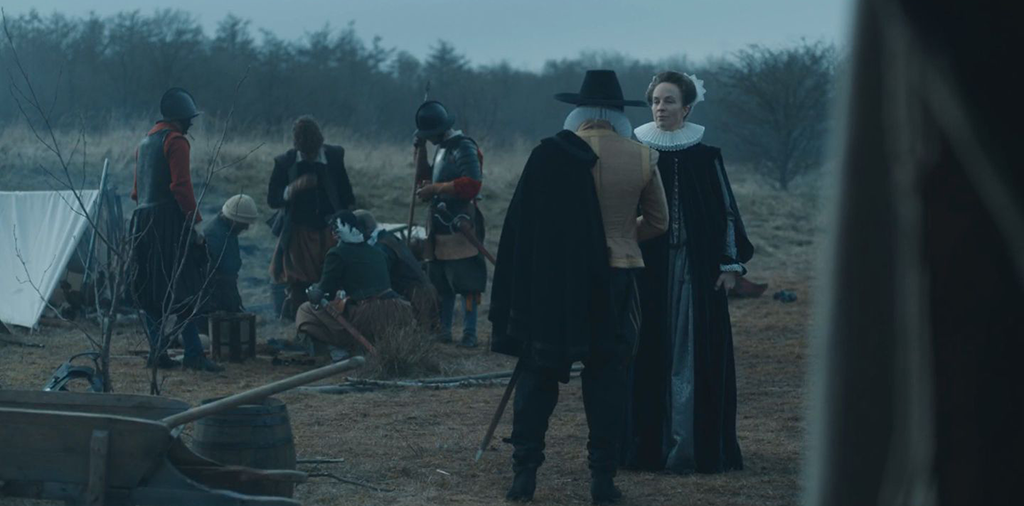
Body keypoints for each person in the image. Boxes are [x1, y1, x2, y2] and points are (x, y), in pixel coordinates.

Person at [490, 70, 668, 504]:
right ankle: (603, 481)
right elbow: (659, 222)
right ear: (619, 115)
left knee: (538, 375)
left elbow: (525, 224)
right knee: (607, 379)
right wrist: (622, 236)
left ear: (579, 111)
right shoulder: (642, 156)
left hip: (556, 283)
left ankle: (524, 475)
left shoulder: (550, 154)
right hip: (616, 278)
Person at [625, 71, 754, 474]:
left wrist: (729, 266)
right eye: (655, 101)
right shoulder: (638, 151)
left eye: (669, 101)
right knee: (647, 352)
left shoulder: (705, 156)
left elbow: (727, 213)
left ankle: (692, 446)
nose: (660, 108)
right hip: (648, 269)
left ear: (687, 108)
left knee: (693, 353)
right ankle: (648, 447)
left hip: (696, 270)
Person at [128, 87, 222, 372]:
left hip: (142, 222)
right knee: (183, 286)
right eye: (190, 119)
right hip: (168, 220)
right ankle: (193, 353)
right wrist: (195, 222)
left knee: (152, 288)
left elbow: (136, 193)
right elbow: (181, 187)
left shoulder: (145, 142)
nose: (191, 124)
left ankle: (158, 352)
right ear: (182, 119)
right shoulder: (176, 141)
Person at [412, 101, 487, 347]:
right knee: (442, 282)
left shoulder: (463, 147)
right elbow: (426, 177)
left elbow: (472, 184)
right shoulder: (441, 148)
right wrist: (420, 150)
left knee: (467, 282)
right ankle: (444, 330)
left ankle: (469, 333)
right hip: (440, 224)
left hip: (461, 224)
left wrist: (435, 189)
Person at [294, 211, 414, 360]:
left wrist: (314, 291)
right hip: (397, 309)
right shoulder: (376, 251)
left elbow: (325, 292)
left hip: (369, 315)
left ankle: (338, 348)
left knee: (306, 311)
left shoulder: (337, 254)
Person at [268, 116, 355, 320]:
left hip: (330, 230)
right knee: (298, 280)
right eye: (306, 153)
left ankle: (331, 317)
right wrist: (293, 188)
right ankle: (301, 319)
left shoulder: (333, 157)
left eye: (313, 152)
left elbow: (346, 194)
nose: (310, 156)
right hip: (298, 231)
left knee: (332, 275)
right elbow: (272, 199)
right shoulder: (285, 163)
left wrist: (348, 221)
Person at [353, 209, 439, 329]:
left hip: (413, 297)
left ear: (365, 228)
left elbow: (379, 278)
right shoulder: (386, 238)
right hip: (414, 293)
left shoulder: (382, 247)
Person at [196, 194, 259, 332]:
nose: (246, 227)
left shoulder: (228, 231)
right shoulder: (214, 234)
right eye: (244, 224)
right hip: (214, 300)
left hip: (225, 294)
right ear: (235, 220)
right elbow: (211, 275)